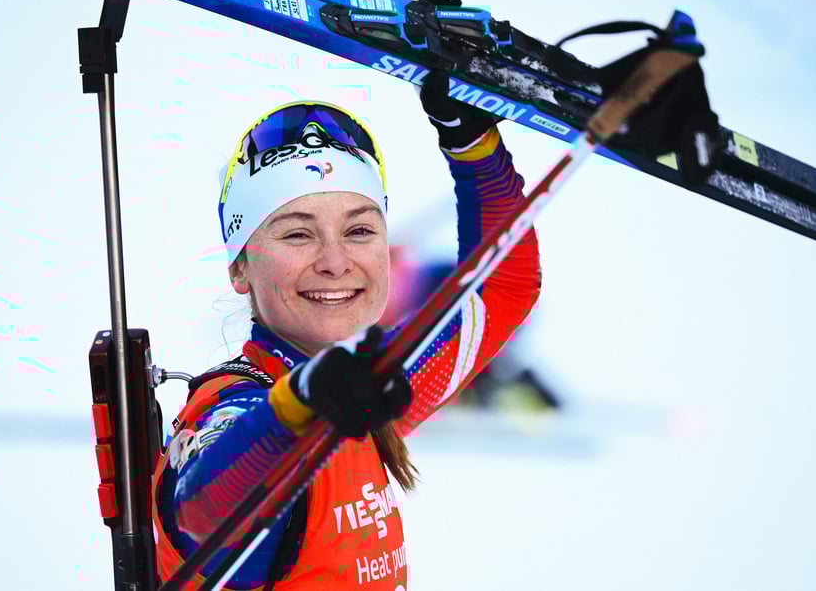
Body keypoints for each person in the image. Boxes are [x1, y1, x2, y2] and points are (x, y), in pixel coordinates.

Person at [150, 66, 542, 589]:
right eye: (296, 235)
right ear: (240, 267)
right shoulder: (236, 407)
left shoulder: (368, 396)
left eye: (358, 230)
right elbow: (203, 514)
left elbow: (502, 288)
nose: (335, 262)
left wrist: (474, 148)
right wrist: (301, 406)